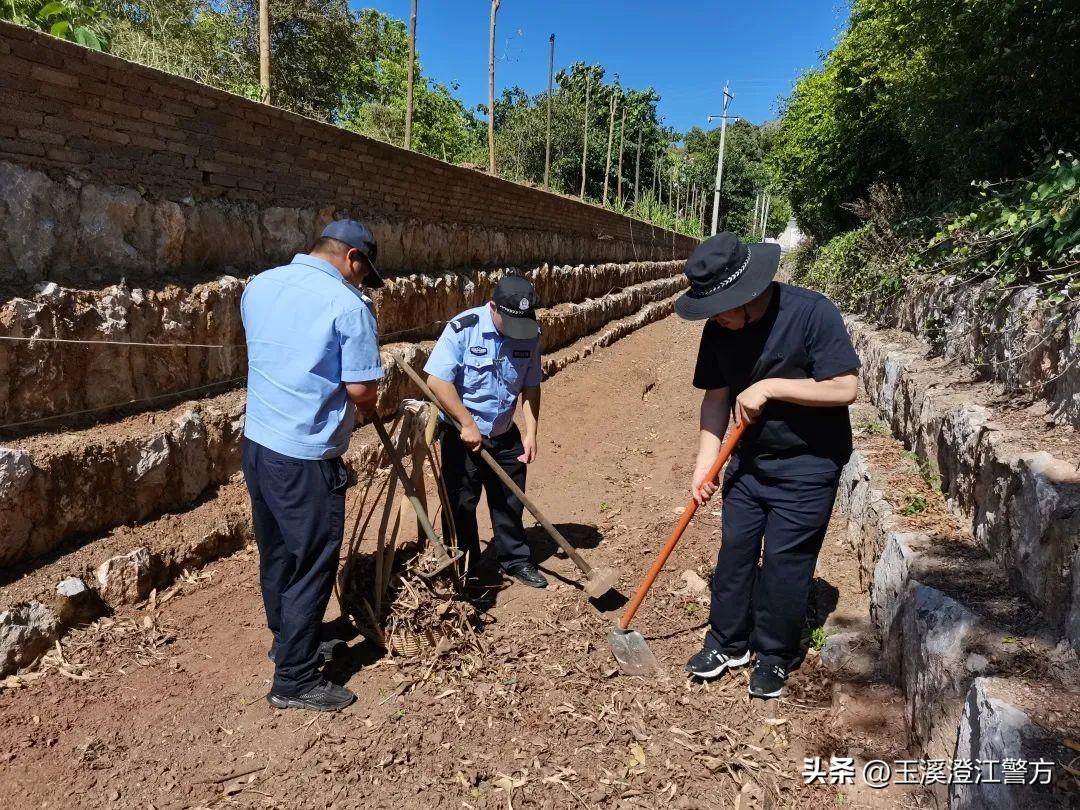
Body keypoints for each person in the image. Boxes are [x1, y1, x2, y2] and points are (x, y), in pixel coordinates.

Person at [675, 232, 860, 699]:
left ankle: (776, 653)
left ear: (750, 293)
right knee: (735, 551)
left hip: (809, 462)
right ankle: (726, 642)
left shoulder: (811, 312)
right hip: (748, 461)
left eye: (721, 308)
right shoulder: (719, 329)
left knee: (785, 559)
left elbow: (844, 388)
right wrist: (706, 463)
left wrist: (772, 387)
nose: (715, 319)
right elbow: (715, 398)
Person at [240, 219, 385, 712]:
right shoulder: (349, 305)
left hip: (259, 442)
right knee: (313, 560)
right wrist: (374, 403)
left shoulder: (261, 284)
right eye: (365, 272)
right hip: (304, 456)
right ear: (352, 259)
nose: (363, 281)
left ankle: (288, 641)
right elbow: (362, 389)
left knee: (277, 553)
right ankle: (295, 679)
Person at [423, 275, 547, 589]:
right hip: (462, 435)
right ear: (492, 307)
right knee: (461, 504)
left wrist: (531, 433)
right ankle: (467, 568)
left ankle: (515, 559)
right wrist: (466, 424)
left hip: (505, 433)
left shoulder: (530, 334)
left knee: (510, 499)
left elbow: (531, 388)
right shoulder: (463, 328)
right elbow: (436, 380)